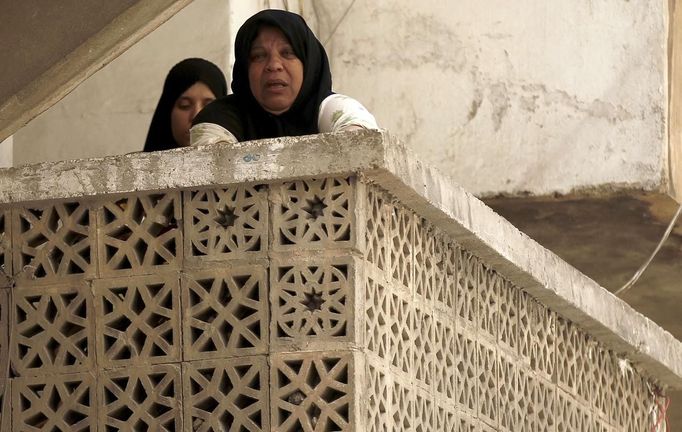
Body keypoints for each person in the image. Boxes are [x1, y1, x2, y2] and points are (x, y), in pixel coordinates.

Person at [190, 9, 377, 146]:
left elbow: (361, 142)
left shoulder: (332, 108)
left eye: (287, 53)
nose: (273, 65)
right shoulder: (219, 118)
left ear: (308, 64)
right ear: (245, 68)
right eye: (258, 56)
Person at [143, 58, 227, 151]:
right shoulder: (138, 165)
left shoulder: (242, 162)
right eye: (185, 105)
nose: (196, 116)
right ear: (167, 111)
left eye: (208, 106)